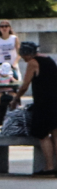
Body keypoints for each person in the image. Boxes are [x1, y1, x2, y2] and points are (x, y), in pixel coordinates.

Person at [14, 41, 57, 176]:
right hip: (55, 101)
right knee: (56, 134)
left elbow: (25, 85)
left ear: (28, 54)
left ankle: (49, 167)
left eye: (23, 56)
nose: (24, 59)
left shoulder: (33, 63)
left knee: (42, 134)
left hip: (43, 103)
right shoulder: (49, 60)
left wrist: (16, 98)